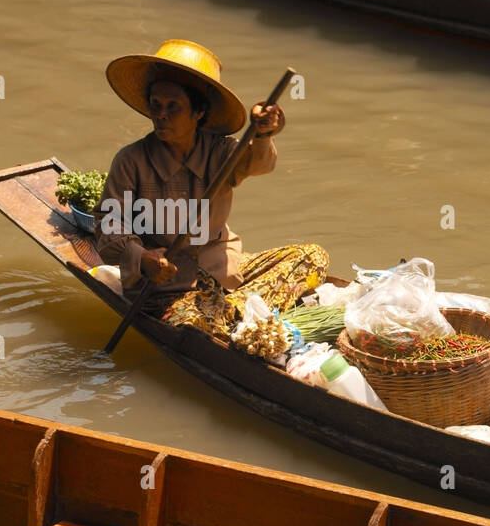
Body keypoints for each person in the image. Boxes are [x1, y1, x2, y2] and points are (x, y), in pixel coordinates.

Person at [97, 39, 327, 338]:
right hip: (165, 288)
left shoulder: (221, 152)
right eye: (155, 105)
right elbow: (107, 226)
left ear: (198, 113)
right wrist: (141, 257)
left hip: (219, 270)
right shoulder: (131, 160)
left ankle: (231, 309)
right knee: (196, 324)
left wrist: (264, 133)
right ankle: (234, 314)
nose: (161, 115)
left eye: (173, 107)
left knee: (313, 256)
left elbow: (259, 163)